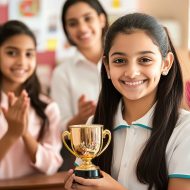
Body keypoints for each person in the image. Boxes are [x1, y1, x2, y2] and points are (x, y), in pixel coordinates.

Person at [63, 13, 190, 190]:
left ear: (166, 64)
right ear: (107, 66)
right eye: (120, 60)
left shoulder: (184, 129)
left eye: (145, 60)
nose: (131, 72)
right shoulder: (93, 125)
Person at [50, 0, 109, 171]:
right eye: (73, 23)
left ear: (102, 19)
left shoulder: (121, 61)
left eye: (87, 18)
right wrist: (80, 118)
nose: (82, 28)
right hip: (84, 161)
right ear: (66, 30)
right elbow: (59, 131)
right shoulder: (62, 72)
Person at [0, 20, 63, 179]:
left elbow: (52, 166)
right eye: (12, 53)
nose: (22, 61)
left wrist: (24, 133)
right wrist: (11, 134)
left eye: (29, 54)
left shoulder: (48, 108)